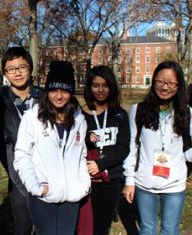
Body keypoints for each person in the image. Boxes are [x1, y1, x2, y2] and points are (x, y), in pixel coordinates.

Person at [14, 60, 91, 235]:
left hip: (71, 196)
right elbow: (22, 155)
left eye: (64, 90)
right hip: (44, 195)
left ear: (71, 92)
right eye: (54, 90)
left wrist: (83, 185)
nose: (58, 96)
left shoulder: (79, 120)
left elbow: (81, 155)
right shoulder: (32, 118)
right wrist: (35, 186)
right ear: (47, 91)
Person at [123, 61, 192, 235]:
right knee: (147, 229)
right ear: (154, 81)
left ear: (179, 86)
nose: (165, 87)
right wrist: (129, 181)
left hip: (174, 184)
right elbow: (132, 147)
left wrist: (187, 156)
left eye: (171, 83)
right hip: (144, 183)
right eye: (161, 81)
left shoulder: (186, 112)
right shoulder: (137, 110)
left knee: (170, 230)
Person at [78, 65, 130, 235]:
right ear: (89, 87)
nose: (101, 90)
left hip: (111, 181)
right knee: (83, 227)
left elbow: (123, 148)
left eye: (105, 85)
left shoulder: (119, 114)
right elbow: (72, 144)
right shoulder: (79, 115)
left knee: (101, 228)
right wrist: (86, 138)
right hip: (85, 180)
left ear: (111, 87)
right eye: (95, 85)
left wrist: (100, 164)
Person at [0, 47, 44, 235]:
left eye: (22, 67)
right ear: (5, 73)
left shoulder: (44, 98)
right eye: (11, 69)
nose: (17, 73)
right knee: (22, 226)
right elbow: (0, 140)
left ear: (30, 68)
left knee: (45, 226)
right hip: (17, 176)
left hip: (45, 172)